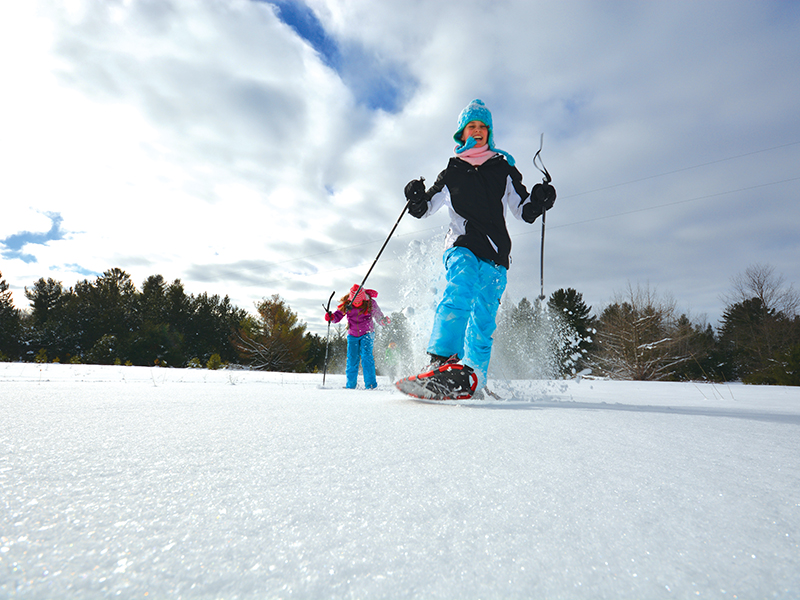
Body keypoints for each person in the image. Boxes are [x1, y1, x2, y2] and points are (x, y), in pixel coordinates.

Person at [397, 99, 556, 399]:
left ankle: (473, 379)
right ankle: (443, 360)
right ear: (462, 132)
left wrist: (538, 200)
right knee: (461, 286)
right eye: (472, 125)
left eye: (483, 126)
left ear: (490, 131)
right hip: (461, 244)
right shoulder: (453, 170)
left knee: (484, 318)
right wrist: (415, 199)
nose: (478, 131)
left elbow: (523, 210)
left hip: (496, 255)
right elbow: (426, 207)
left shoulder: (503, 168)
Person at [325, 284, 389, 389]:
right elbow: (337, 316)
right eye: (355, 302)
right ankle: (350, 385)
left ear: (364, 299)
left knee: (366, 357)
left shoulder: (370, 303)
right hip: (352, 334)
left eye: (360, 302)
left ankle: (371, 385)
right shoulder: (347, 305)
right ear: (351, 299)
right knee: (352, 359)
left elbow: (378, 316)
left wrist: (383, 321)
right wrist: (331, 317)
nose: (358, 304)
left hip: (367, 333)